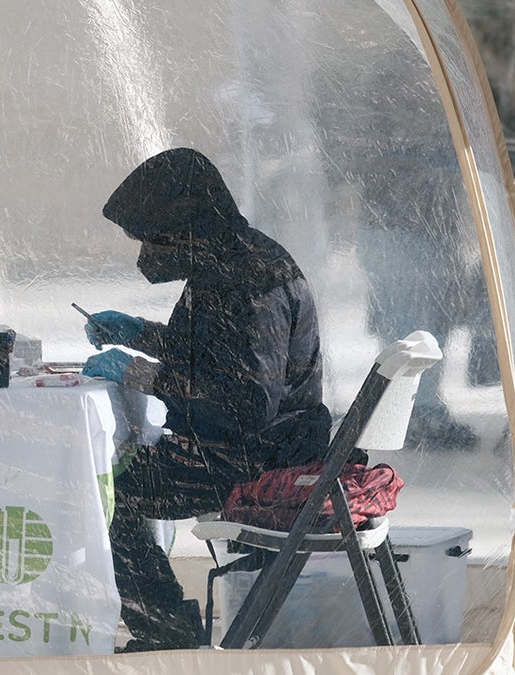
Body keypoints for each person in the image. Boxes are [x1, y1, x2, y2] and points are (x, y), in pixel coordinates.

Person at [81, 148, 332, 651]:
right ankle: (165, 628)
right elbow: (214, 353)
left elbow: (243, 407)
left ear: (183, 225)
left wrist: (139, 372)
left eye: (151, 239)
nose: (145, 253)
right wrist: (141, 334)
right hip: (251, 448)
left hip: (256, 461)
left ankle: (165, 634)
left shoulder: (250, 282)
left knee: (103, 494)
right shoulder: (230, 258)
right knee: (111, 476)